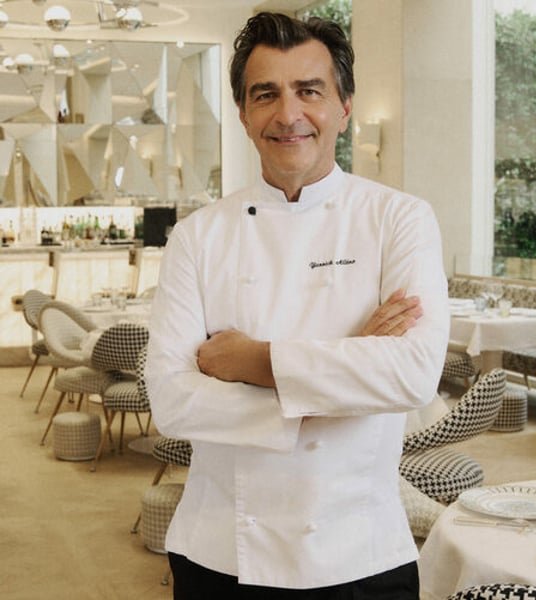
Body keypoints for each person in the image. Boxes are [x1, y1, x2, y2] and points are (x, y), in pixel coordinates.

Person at [145, 11, 449, 599]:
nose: (288, 115)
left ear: (344, 107)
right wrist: (341, 374)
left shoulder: (399, 219)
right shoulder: (197, 236)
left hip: (360, 555)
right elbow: (172, 401)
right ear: (243, 113)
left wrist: (252, 361)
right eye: (266, 95)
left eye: (310, 91)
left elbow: (412, 374)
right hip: (219, 554)